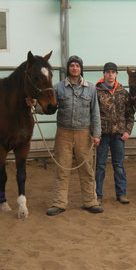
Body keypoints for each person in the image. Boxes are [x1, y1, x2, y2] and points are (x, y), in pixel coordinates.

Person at [46, 55, 102, 216]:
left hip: (84, 134)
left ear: (81, 68)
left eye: (77, 66)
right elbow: (48, 108)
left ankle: (91, 201)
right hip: (63, 134)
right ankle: (59, 203)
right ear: (68, 69)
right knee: (62, 169)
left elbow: (95, 113)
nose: (75, 68)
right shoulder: (58, 88)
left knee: (87, 169)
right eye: (72, 66)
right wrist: (35, 105)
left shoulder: (91, 88)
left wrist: (96, 134)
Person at [95, 62, 135, 204]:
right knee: (100, 165)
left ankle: (121, 194)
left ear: (116, 74)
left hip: (119, 135)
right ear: (104, 74)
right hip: (103, 135)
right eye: (108, 72)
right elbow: (92, 114)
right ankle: (97, 195)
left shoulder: (123, 92)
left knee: (119, 165)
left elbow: (130, 114)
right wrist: (95, 134)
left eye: (113, 72)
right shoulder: (97, 92)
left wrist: (127, 131)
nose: (110, 74)